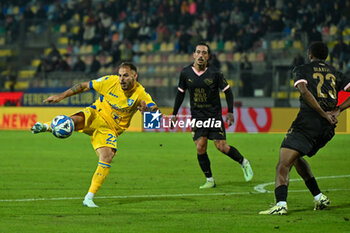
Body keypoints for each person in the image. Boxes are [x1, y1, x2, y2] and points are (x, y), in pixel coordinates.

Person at [31, 62, 159, 207]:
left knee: (107, 157)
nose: (121, 79)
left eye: (126, 75)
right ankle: (45, 126)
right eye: (120, 75)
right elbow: (84, 86)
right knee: (72, 122)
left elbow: (153, 108)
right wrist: (61, 96)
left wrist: (149, 111)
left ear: (135, 76)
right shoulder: (110, 81)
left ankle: (89, 198)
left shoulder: (140, 93)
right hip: (95, 114)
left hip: (109, 129)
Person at [259, 42, 350, 215]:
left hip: (308, 122)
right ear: (326, 57)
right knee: (295, 157)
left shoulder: (302, 69)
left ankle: (280, 205)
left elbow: (304, 91)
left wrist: (323, 113)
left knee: (283, 163)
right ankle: (318, 197)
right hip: (328, 129)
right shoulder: (334, 72)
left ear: (310, 55)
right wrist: (337, 110)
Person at [171, 42, 253, 189]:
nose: (201, 55)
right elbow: (180, 94)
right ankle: (210, 180)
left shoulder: (215, 74)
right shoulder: (185, 73)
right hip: (197, 117)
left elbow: (228, 91)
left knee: (221, 146)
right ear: (194, 55)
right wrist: (174, 114)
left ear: (208, 57)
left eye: (204, 53)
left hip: (213, 116)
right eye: (198, 52)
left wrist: (230, 112)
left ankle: (243, 162)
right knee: (200, 147)